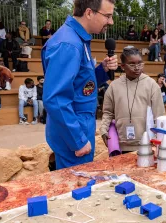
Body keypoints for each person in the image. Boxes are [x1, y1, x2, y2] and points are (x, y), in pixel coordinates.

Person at [42, 0, 118, 169]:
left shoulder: (78, 39)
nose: (111, 22)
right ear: (89, 13)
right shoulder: (69, 45)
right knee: (77, 188)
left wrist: (102, 70)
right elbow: (55, 99)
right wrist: (78, 140)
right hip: (73, 133)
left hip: (78, 126)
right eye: (108, 16)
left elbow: (80, 86)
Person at [100, 47, 165, 152]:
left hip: (147, 144)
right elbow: (107, 112)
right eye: (132, 64)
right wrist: (103, 130)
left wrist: (159, 141)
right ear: (123, 66)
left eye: (140, 63)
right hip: (121, 144)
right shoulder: (114, 86)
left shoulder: (152, 85)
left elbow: (159, 116)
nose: (137, 67)